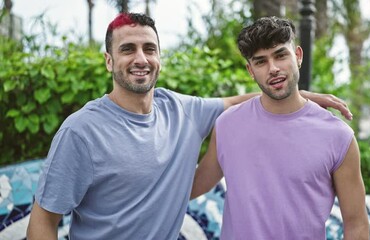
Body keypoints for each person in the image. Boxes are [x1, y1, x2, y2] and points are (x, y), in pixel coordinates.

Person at [26, 13, 353, 240]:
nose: (140, 58)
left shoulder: (181, 109)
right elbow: (43, 220)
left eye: (149, 49)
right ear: (109, 61)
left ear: (159, 58)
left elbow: (243, 101)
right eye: (127, 49)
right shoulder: (81, 131)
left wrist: (298, 94)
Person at [191, 16, 370, 239]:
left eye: (280, 55)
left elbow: (357, 225)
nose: (273, 68)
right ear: (250, 70)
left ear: (298, 56)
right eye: (260, 61)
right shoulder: (227, 124)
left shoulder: (338, 136)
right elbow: (192, 187)